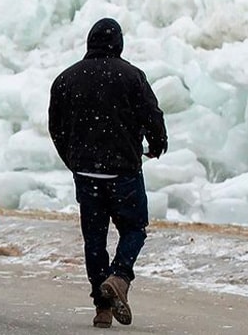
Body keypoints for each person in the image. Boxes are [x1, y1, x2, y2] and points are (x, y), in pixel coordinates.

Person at [48, 17, 168, 329]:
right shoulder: (132, 76)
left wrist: (73, 159)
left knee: (95, 239)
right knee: (135, 228)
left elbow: (56, 127)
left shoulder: (66, 79)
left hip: (87, 173)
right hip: (123, 172)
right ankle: (120, 276)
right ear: (119, 43)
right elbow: (152, 115)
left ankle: (102, 308)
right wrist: (157, 144)